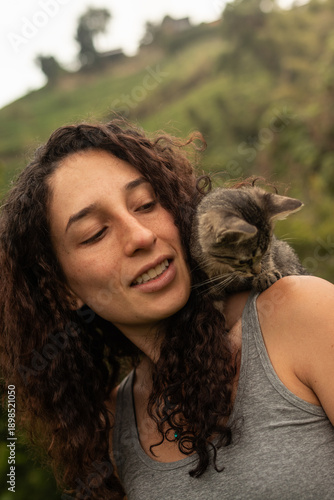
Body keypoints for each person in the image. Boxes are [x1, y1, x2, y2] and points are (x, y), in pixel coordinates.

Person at [0, 119, 333, 500]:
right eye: (95, 233)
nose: (141, 236)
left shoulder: (300, 313)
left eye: (145, 204)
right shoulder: (110, 429)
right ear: (62, 292)